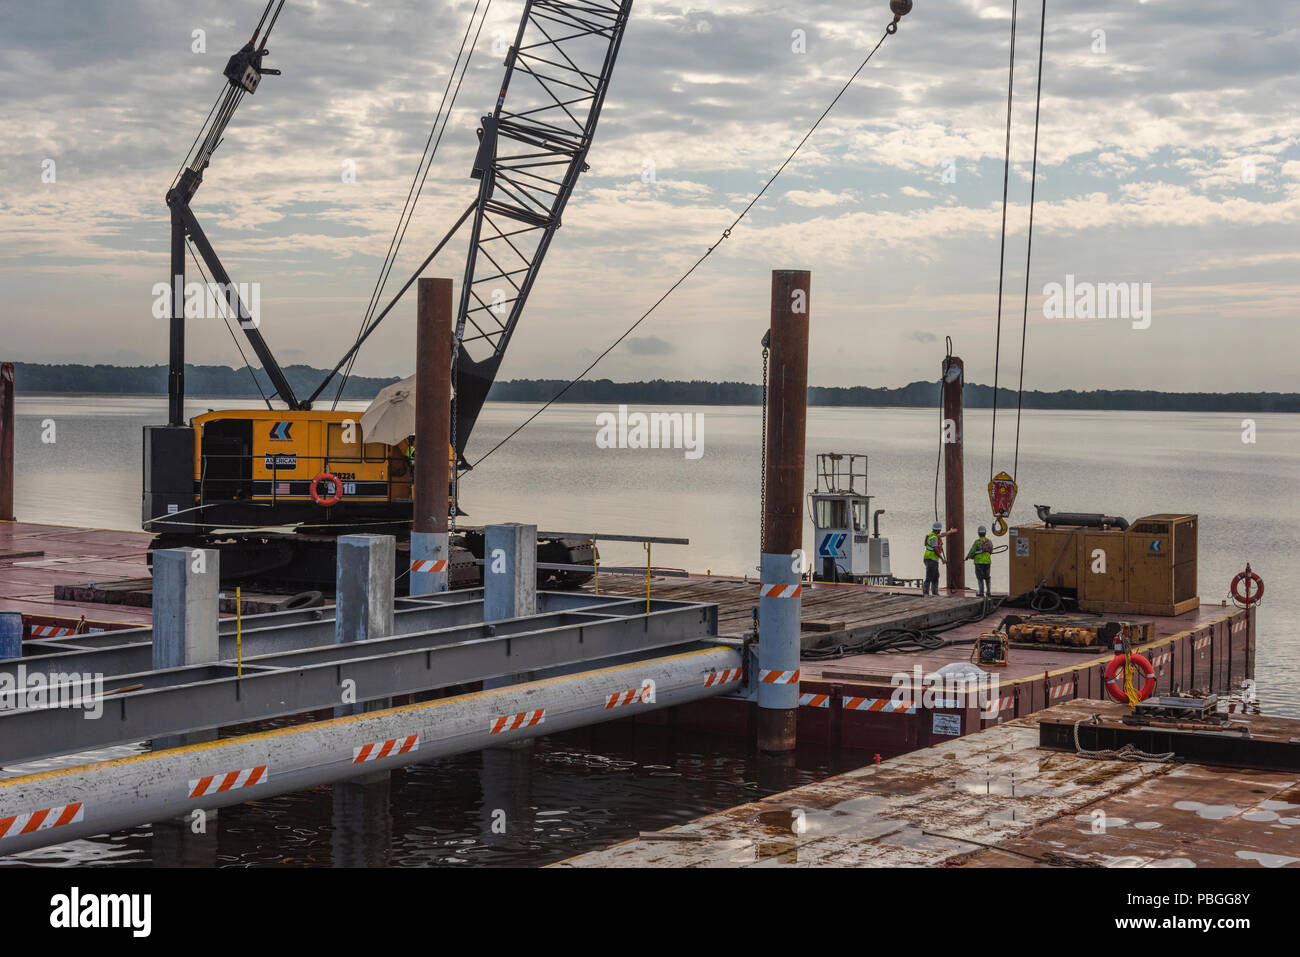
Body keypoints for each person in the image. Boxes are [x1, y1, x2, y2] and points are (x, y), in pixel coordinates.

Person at [922, 521, 956, 596]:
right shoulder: (933, 538)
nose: (940, 531)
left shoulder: (933, 535)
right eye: (940, 530)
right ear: (938, 530)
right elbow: (935, 549)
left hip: (930, 559)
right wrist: (942, 559)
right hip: (931, 559)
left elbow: (942, 535)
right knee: (930, 576)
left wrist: (950, 531)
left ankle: (934, 591)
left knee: (935, 575)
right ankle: (926, 592)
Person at [966, 524, 993, 597]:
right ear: (985, 533)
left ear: (978, 533)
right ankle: (988, 592)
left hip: (978, 562)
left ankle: (981, 592)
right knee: (987, 577)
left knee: (980, 578)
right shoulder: (989, 541)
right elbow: (991, 551)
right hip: (987, 562)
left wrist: (967, 557)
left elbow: (972, 551)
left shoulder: (977, 542)